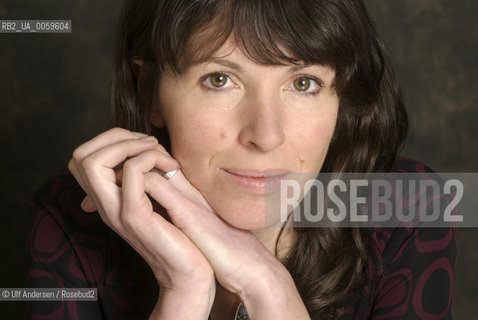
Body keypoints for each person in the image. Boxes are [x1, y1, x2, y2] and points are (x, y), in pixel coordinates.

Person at [27, 0, 456, 319]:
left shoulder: (414, 203)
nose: (265, 135)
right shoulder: (73, 215)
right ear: (148, 89)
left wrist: (267, 286)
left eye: (303, 83)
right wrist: (183, 290)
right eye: (220, 79)